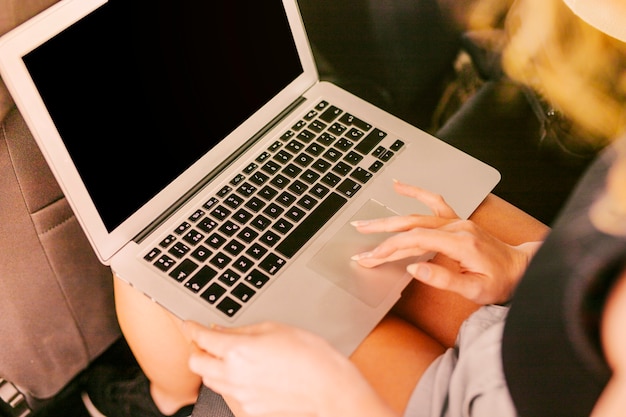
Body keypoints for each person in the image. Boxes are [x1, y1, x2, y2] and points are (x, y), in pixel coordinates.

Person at [83, 0, 626, 416]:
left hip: (467, 398)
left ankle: (166, 401)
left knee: (150, 256)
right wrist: (523, 267)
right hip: (535, 331)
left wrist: (338, 400)